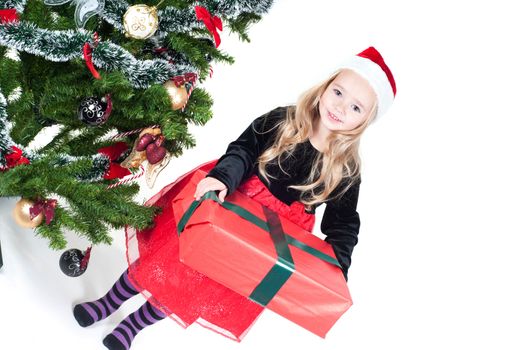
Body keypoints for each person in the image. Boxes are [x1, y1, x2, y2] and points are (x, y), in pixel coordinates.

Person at [72, 46, 396, 350]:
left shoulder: (345, 169)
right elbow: (243, 150)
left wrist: (335, 266)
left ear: (366, 120)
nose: (340, 107)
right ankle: (108, 303)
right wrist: (223, 178)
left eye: (356, 107)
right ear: (325, 87)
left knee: (193, 285)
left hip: (265, 244)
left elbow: (343, 224)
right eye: (339, 92)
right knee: (167, 258)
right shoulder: (283, 120)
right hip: (231, 204)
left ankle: (133, 325)